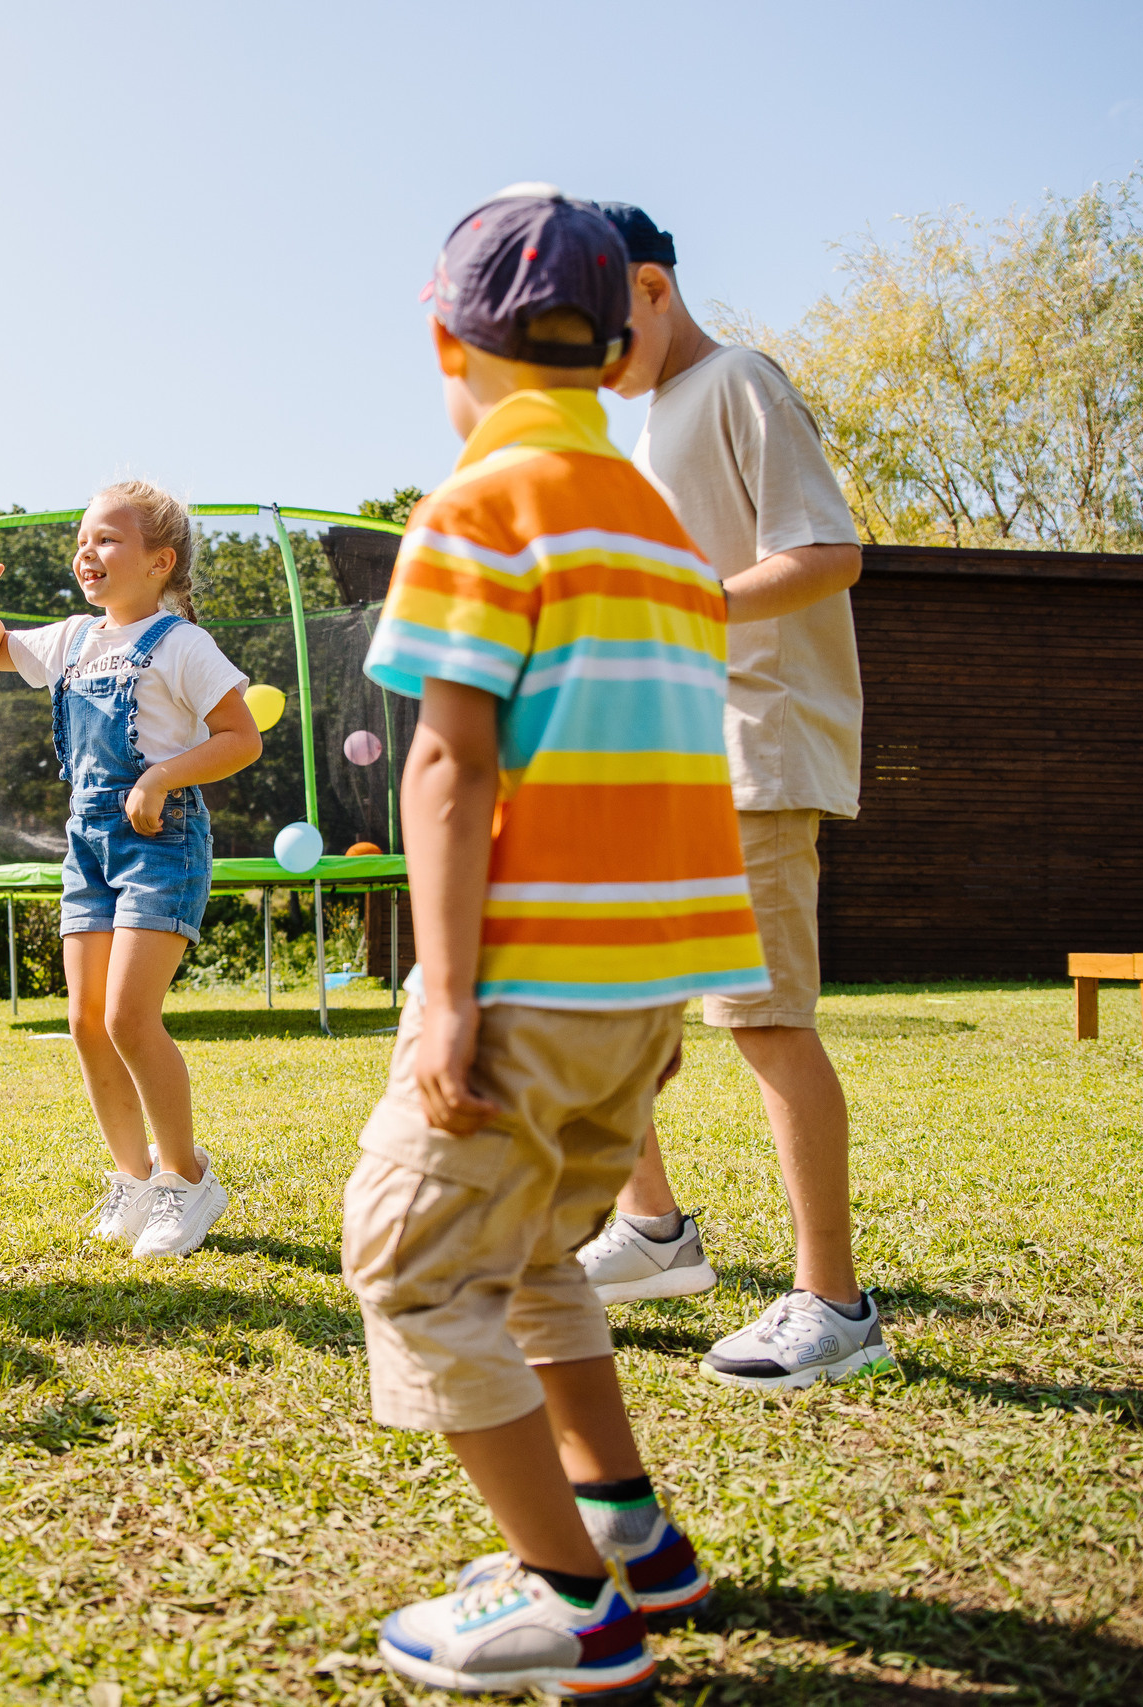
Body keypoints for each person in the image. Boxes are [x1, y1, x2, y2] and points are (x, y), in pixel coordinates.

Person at [346, 189, 768, 1697]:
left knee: (412, 1262)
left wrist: (446, 994)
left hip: (524, 982)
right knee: (530, 1255)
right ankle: (630, 1527)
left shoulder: (479, 505)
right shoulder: (658, 528)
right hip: (642, 992)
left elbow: (451, 763)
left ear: (444, 336)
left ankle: (572, 1600)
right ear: (615, 339)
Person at [576, 201, 893, 1393]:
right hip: (667, 755)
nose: (586, 369)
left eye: (593, 334)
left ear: (649, 288)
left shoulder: (739, 381)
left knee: (760, 1019)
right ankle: (651, 1234)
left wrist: (679, 606)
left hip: (753, 752)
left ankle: (835, 1300)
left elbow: (826, 553)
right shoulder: (647, 420)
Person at [0, 483, 262, 1259]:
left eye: (108, 539)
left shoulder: (181, 643)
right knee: (86, 1024)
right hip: (89, 848)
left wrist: (158, 779)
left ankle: (187, 1179)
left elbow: (240, 738)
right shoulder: (75, 639)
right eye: (84, 538)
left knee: (127, 1018)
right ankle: (134, 1176)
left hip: (159, 842)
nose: (88, 551)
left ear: (159, 562)